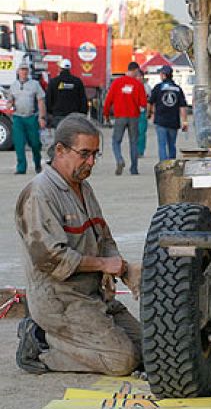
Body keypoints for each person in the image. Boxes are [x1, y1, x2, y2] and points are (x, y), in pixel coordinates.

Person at [14, 113, 141, 376]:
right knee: (122, 361)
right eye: (84, 153)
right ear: (60, 150)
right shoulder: (39, 194)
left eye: (95, 154)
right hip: (59, 300)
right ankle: (41, 344)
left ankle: (72, 341)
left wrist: (118, 267)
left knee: (151, 350)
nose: (91, 162)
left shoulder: (84, 188)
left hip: (92, 296)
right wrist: (104, 263)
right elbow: (51, 258)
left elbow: (104, 237)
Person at [103, 62, 147, 175]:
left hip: (120, 117)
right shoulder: (138, 85)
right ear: (136, 70)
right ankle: (134, 169)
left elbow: (108, 101)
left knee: (116, 141)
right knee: (133, 142)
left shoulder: (117, 82)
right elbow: (143, 103)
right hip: (133, 117)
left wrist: (106, 115)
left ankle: (119, 159)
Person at [9, 63, 46, 174]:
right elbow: (10, 100)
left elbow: (41, 101)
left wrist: (42, 117)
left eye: (25, 70)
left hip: (31, 117)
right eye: (22, 70)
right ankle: (21, 168)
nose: (24, 72)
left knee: (35, 143)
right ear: (18, 71)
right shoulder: (13, 85)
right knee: (19, 143)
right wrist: (9, 104)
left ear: (28, 72)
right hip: (18, 118)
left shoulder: (35, 84)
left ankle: (37, 163)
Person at [149, 65, 188, 161]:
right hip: (173, 122)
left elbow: (150, 102)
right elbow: (182, 106)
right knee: (172, 145)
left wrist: (149, 113)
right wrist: (185, 121)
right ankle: (172, 165)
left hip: (161, 121)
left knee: (162, 145)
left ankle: (164, 166)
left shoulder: (158, 88)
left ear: (164, 75)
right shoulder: (178, 89)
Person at [45, 59, 87, 128]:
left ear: (60, 68)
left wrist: (50, 112)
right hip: (74, 117)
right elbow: (83, 99)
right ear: (69, 68)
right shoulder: (77, 82)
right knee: (72, 137)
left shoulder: (54, 82)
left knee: (60, 137)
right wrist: (82, 114)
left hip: (58, 116)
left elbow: (48, 99)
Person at [136, 68, 152, 157]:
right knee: (134, 133)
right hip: (133, 112)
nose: (139, 78)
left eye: (140, 76)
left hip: (142, 112)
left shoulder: (147, 87)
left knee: (141, 133)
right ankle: (135, 150)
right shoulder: (133, 85)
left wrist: (149, 112)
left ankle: (140, 151)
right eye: (137, 76)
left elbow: (149, 101)